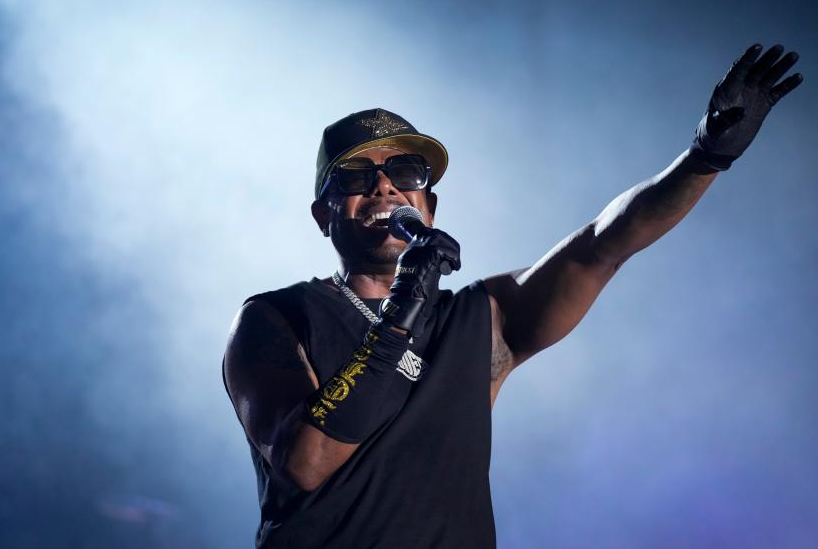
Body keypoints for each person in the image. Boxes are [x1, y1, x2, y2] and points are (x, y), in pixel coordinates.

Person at [221, 43, 802, 548]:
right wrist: (402, 313)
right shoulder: (276, 317)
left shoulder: (482, 321)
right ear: (325, 216)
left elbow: (601, 245)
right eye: (354, 177)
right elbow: (306, 462)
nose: (383, 185)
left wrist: (705, 157)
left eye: (405, 172)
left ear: (430, 207)